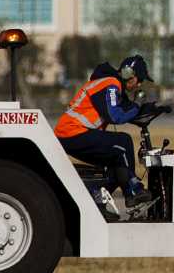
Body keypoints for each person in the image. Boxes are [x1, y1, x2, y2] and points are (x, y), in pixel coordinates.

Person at [54, 54, 163, 214]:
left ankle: (98, 202)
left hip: (71, 134)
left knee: (116, 162)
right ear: (128, 74)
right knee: (123, 143)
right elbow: (116, 116)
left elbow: (128, 110)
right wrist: (137, 104)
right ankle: (133, 191)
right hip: (72, 132)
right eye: (139, 79)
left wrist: (154, 110)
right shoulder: (110, 84)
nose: (139, 84)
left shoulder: (112, 85)